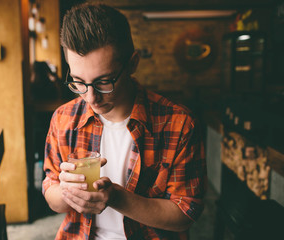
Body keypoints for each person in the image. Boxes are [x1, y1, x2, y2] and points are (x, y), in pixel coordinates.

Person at [42, 3, 207, 240]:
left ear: (132, 64)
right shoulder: (63, 119)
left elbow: (186, 212)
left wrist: (117, 198)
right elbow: (51, 194)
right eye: (78, 81)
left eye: (103, 82)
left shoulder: (179, 124)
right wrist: (66, 192)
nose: (91, 98)